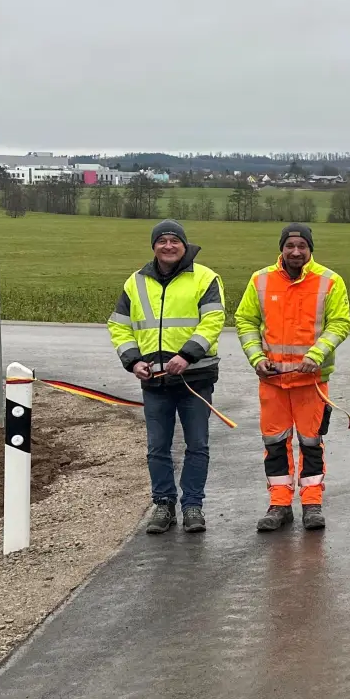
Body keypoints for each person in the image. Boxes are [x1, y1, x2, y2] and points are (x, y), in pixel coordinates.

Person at [106, 219, 225, 534]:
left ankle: (193, 506)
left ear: (184, 245)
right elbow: (119, 324)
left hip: (194, 379)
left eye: (175, 240)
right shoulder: (136, 282)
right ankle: (163, 504)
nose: (168, 246)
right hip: (154, 381)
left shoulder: (205, 278)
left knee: (197, 445)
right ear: (154, 246)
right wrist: (133, 361)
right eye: (162, 241)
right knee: (157, 447)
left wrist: (186, 356)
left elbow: (213, 320)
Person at [235, 223, 350, 532]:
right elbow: (246, 320)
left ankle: (312, 504)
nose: (296, 251)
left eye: (302, 245)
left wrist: (316, 355)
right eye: (290, 246)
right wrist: (256, 358)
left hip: (311, 382)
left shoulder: (330, 281)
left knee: (311, 443)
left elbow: (340, 322)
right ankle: (279, 504)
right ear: (282, 248)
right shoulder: (260, 280)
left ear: (310, 248)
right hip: (273, 382)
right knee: (275, 444)